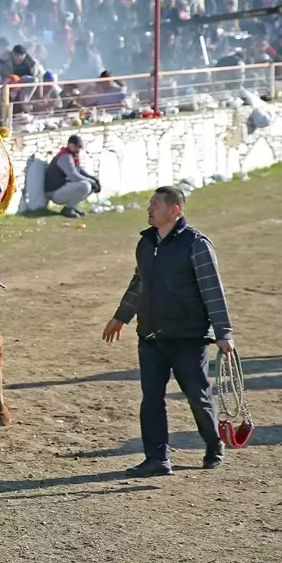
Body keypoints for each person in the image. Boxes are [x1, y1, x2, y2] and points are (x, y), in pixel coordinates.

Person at [102, 186, 235, 478]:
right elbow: (139, 284)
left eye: (155, 204)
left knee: (197, 397)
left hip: (189, 338)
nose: (149, 209)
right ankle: (157, 459)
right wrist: (121, 317)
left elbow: (212, 289)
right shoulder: (146, 243)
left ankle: (214, 444)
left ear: (174, 210)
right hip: (151, 336)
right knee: (151, 399)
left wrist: (223, 332)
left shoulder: (196, 244)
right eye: (150, 203)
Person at [44, 135, 100, 218]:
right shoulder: (65, 156)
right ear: (69, 144)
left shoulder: (72, 155)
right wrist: (91, 182)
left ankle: (73, 206)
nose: (77, 149)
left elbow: (79, 170)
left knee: (91, 186)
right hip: (54, 192)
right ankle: (68, 209)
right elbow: (74, 176)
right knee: (85, 185)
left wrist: (94, 179)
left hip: (63, 188)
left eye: (79, 147)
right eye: (75, 146)